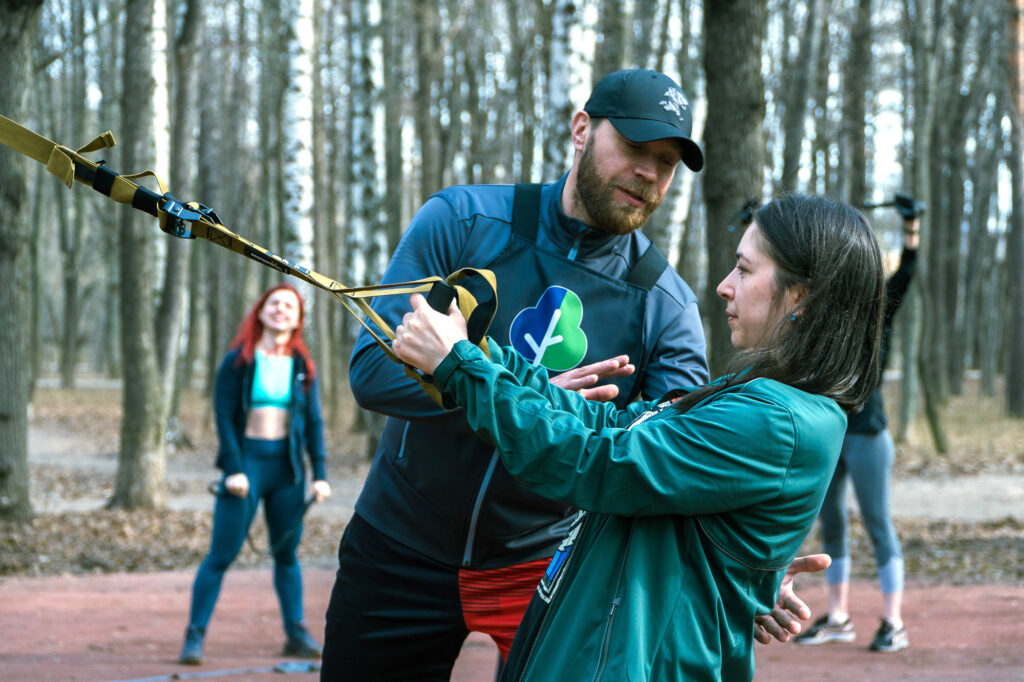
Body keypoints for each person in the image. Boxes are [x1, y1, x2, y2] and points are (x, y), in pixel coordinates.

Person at [321, 69, 822, 680]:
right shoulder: (465, 220)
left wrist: (748, 569)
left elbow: (677, 464)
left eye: (667, 163)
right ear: (581, 129)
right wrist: (510, 396)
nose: (650, 174)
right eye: (637, 149)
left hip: (542, 568)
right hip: (400, 543)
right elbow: (372, 371)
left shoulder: (665, 304)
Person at [391, 193, 886, 680]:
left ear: (800, 294)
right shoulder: (759, 395)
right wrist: (483, 356)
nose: (724, 285)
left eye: (745, 269)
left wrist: (462, 367)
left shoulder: (777, 420)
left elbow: (596, 463)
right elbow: (611, 427)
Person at [795, 196, 923, 653]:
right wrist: (760, 224)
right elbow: (794, 270)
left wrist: (911, 225)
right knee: (831, 523)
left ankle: (894, 623)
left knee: (877, 523)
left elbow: (907, 272)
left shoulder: (880, 312)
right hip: (831, 434)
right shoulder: (826, 313)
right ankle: (839, 618)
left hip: (868, 433)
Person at [179, 283, 332, 665]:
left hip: (288, 470)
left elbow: (313, 422)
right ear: (261, 311)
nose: (281, 310)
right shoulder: (237, 361)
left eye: (290, 306)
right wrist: (233, 468)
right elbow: (224, 418)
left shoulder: (303, 366)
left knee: (286, 555)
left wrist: (320, 473)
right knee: (221, 554)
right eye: (275, 303)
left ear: (298, 319)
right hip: (246, 466)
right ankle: (194, 636)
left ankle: (296, 633)